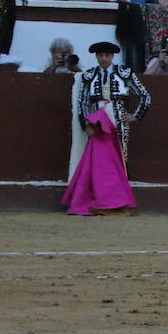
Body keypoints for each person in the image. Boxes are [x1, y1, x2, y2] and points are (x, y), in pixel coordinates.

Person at [61, 40, 149, 216]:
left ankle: (120, 202)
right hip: (98, 125)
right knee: (99, 164)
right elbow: (83, 102)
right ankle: (102, 200)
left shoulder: (124, 73)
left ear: (112, 56)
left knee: (120, 160)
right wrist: (86, 124)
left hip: (119, 122)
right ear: (96, 56)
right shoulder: (89, 75)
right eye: (100, 55)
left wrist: (135, 116)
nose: (103, 59)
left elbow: (145, 96)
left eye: (106, 55)